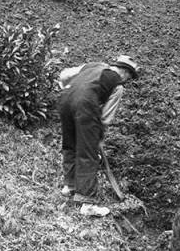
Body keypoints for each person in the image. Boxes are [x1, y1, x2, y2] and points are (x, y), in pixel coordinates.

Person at [57, 56, 140, 208]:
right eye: (129, 76)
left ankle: (69, 186)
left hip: (65, 100)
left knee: (70, 144)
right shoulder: (118, 85)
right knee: (88, 153)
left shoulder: (93, 65)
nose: (128, 79)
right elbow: (106, 117)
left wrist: (74, 92)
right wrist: (98, 138)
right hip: (85, 105)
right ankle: (87, 202)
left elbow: (64, 75)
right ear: (125, 72)